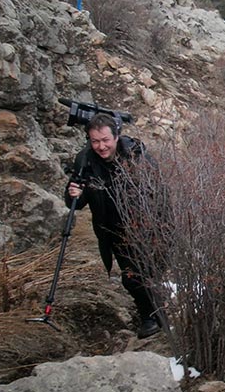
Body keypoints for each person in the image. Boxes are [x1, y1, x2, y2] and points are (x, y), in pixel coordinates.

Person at [65, 112, 162, 338]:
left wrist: (157, 226)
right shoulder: (85, 161)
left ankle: (154, 316)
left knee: (143, 275)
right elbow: (74, 203)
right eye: (95, 141)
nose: (101, 146)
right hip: (112, 231)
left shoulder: (137, 158)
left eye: (105, 140)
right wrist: (74, 194)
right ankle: (150, 316)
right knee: (131, 277)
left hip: (144, 228)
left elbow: (160, 195)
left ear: (117, 137)